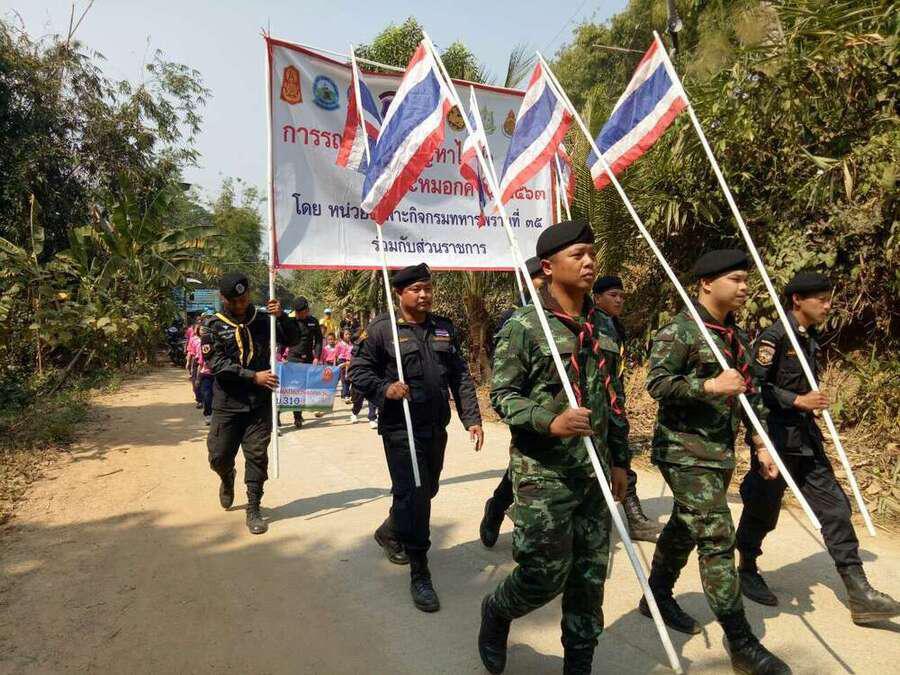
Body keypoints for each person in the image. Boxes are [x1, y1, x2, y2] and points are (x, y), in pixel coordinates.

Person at [478, 221, 630, 675]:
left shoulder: (604, 324)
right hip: (545, 474)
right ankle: (497, 611)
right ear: (547, 267)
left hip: (595, 474)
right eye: (577, 255)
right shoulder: (526, 326)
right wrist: (551, 421)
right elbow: (503, 396)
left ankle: (578, 665)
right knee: (542, 576)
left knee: (589, 580)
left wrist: (621, 461)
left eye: (591, 253)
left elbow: (614, 398)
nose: (589, 262)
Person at [642, 250, 790, 674]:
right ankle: (741, 642)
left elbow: (749, 392)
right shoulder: (681, 331)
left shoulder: (735, 335)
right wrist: (709, 385)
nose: (745, 287)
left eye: (746, 280)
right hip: (684, 452)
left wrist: (760, 442)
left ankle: (656, 595)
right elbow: (657, 384)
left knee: (685, 525)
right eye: (736, 279)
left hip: (718, 452)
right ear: (706, 283)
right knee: (716, 536)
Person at [736, 271, 900, 624]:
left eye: (829, 299)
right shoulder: (774, 338)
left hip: (806, 440)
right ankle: (746, 567)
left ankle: (859, 592)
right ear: (798, 300)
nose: (828, 306)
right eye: (821, 300)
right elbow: (752, 389)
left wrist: (809, 403)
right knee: (763, 508)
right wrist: (797, 400)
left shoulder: (809, 338)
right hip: (775, 440)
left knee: (835, 508)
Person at [350, 263, 483, 613]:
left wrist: (472, 418)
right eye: (415, 290)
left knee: (427, 489)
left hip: (435, 427)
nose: (423, 295)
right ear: (399, 293)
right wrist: (386, 388)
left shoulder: (443, 328)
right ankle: (420, 572)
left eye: (427, 288)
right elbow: (358, 371)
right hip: (401, 428)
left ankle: (389, 530)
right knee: (416, 496)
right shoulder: (382, 330)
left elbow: (460, 376)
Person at [201, 272, 299, 535]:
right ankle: (227, 476)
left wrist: (282, 317)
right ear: (223, 298)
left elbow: (292, 340)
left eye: (244, 299)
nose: (240, 305)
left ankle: (254, 506)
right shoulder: (212, 325)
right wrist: (253, 376)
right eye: (234, 301)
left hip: (258, 403)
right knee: (219, 456)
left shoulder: (264, 320)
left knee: (256, 455)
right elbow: (216, 364)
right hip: (227, 403)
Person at [478, 255, 545, 548]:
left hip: (568, 408)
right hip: (530, 407)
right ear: (528, 282)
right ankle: (499, 508)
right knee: (528, 464)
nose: (547, 284)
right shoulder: (515, 318)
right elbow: (506, 374)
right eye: (541, 279)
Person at [591, 275, 664, 543]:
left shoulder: (614, 326)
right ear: (597, 297)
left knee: (620, 456)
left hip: (612, 404)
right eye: (613, 295)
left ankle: (635, 520)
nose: (619, 300)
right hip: (592, 406)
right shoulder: (590, 322)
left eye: (622, 296)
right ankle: (501, 504)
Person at [285, 297, 322, 428]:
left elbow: (318, 340)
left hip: (308, 359)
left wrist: (317, 357)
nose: (304, 314)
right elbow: (281, 339)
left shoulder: (313, 321)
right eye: (301, 312)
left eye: (306, 311)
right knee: (292, 388)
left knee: (304, 388)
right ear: (296, 312)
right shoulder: (289, 322)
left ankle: (298, 415)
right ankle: (284, 415)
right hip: (293, 359)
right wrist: (280, 355)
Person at [337, 329, 354, 403]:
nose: (348, 336)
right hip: (342, 362)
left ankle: (346, 393)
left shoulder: (351, 344)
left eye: (349, 334)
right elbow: (336, 355)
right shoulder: (339, 344)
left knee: (350, 378)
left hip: (350, 362)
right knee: (344, 379)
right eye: (346, 334)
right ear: (342, 336)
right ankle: (346, 395)